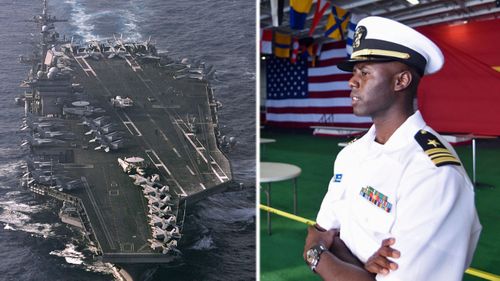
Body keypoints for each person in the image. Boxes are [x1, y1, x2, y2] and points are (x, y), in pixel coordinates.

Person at [303, 16, 482, 281]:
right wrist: (363, 266)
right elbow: (320, 231)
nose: (352, 81)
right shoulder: (351, 154)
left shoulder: (433, 173)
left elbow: (319, 243)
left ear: (401, 81)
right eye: (354, 72)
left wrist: (317, 256)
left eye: (364, 72)